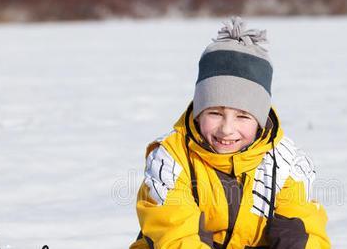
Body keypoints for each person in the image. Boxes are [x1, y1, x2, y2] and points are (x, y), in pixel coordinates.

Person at [129, 17, 330, 249]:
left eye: (243, 116)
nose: (226, 128)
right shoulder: (171, 159)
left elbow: (303, 232)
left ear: (260, 121)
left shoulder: (285, 164)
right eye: (214, 113)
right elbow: (176, 235)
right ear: (198, 113)